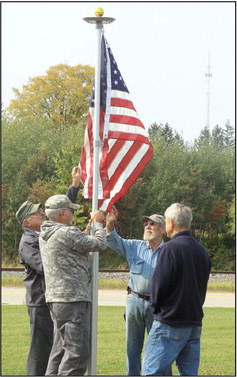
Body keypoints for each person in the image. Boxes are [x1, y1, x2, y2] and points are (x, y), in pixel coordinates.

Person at [15, 166, 81, 376]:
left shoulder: (43, 233)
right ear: (27, 221)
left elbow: (59, 215)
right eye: (36, 212)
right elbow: (46, 266)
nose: (41, 213)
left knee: (55, 348)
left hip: (51, 299)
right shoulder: (28, 242)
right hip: (40, 302)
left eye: (41, 211)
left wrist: (74, 186)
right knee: (40, 351)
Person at [39, 194, 107, 376]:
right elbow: (100, 244)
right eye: (70, 211)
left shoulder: (46, 233)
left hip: (56, 300)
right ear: (62, 213)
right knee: (76, 355)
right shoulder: (67, 233)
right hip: (73, 300)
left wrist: (87, 229)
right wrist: (99, 223)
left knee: (59, 350)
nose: (72, 214)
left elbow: (76, 244)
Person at [142, 203, 211, 376]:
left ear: (171, 222)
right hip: (193, 322)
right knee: (188, 372)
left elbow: (159, 286)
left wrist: (155, 309)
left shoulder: (170, 249)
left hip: (170, 321)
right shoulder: (202, 251)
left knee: (153, 371)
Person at [106, 206, 166, 376]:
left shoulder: (170, 251)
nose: (147, 226)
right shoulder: (134, 246)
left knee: (159, 347)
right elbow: (112, 239)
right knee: (132, 347)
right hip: (134, 302)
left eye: (152, 224)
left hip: (158, 305)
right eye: (146, 223)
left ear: (162, 229)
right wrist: (110, 224)